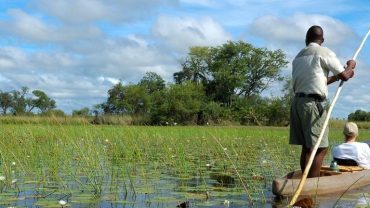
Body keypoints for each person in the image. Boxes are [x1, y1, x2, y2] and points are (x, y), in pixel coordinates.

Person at [290, 25, 356, 178]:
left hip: (297, 103)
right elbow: (346, 75)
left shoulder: (298, 56)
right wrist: (350, 66)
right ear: (323, 40)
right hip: (313, 104)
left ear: (306, 40)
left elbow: (320, 81)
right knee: (320, 148)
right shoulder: (324, 52)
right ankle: (312, 184)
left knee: (307, 147)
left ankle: (306, 181)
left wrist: (339, 76)